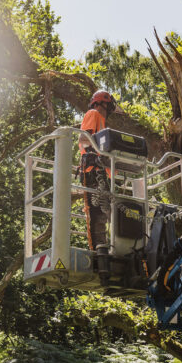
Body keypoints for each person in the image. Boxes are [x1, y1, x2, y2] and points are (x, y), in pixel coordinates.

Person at [79, 90, 120, 250]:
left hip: (102, 172)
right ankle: (98, 251)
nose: (108, 108)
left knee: (108, 214)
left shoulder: (104, 124)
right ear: (102, 102)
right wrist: (99, 155)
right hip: (92, 171)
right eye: (108, 104)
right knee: (97, 215)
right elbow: (83, 140)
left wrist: (113, 168)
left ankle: (110, 249)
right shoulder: (93, 113)